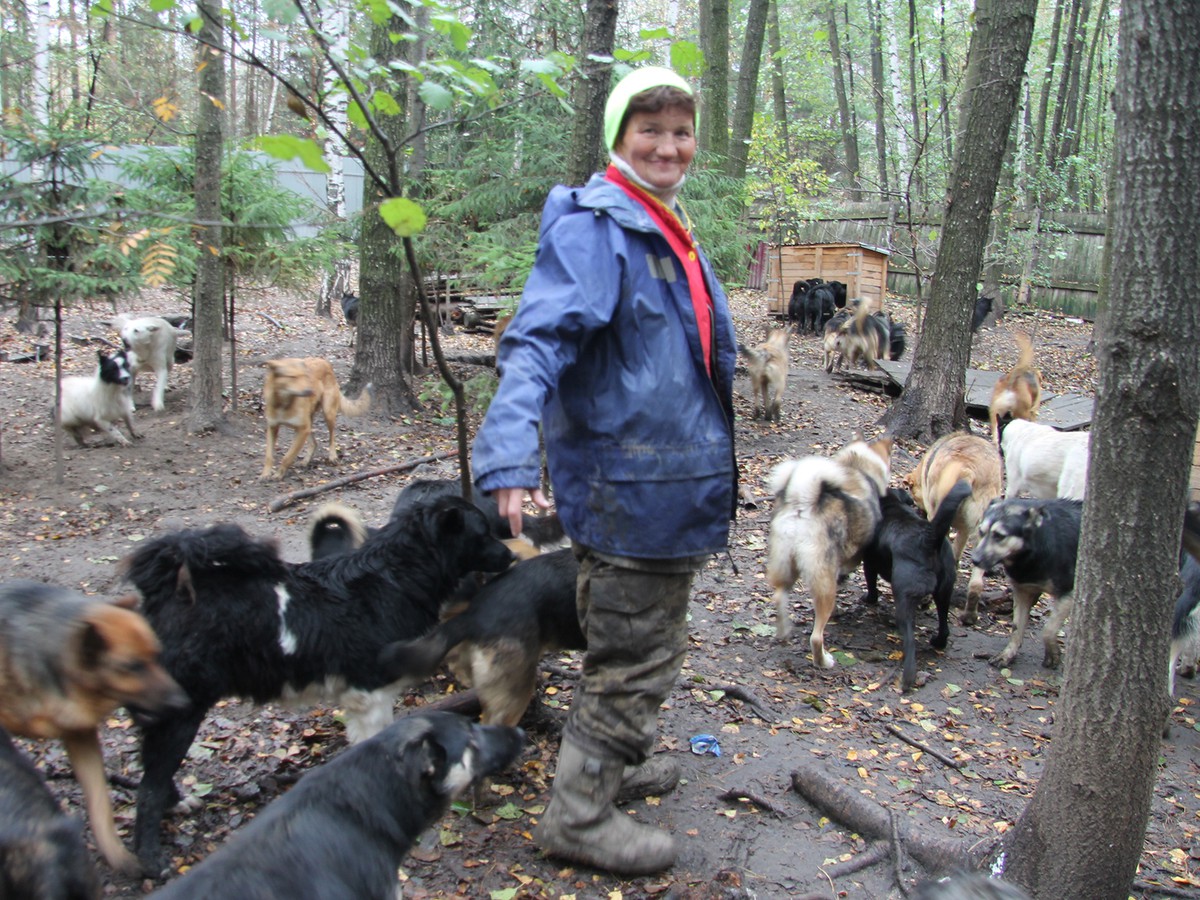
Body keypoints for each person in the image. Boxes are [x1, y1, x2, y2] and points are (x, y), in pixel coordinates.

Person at [471, 66, 738, 876]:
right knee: (637, 653)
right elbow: (537, 341)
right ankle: (579, 815)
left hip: (655, 484)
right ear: (619, 137)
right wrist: (509, 451)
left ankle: (609, 763)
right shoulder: (600, 225)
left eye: (681, 130)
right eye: (649, 129)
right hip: (635, 489)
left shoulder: (658, 220)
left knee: (622, 635)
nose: (668, 144)